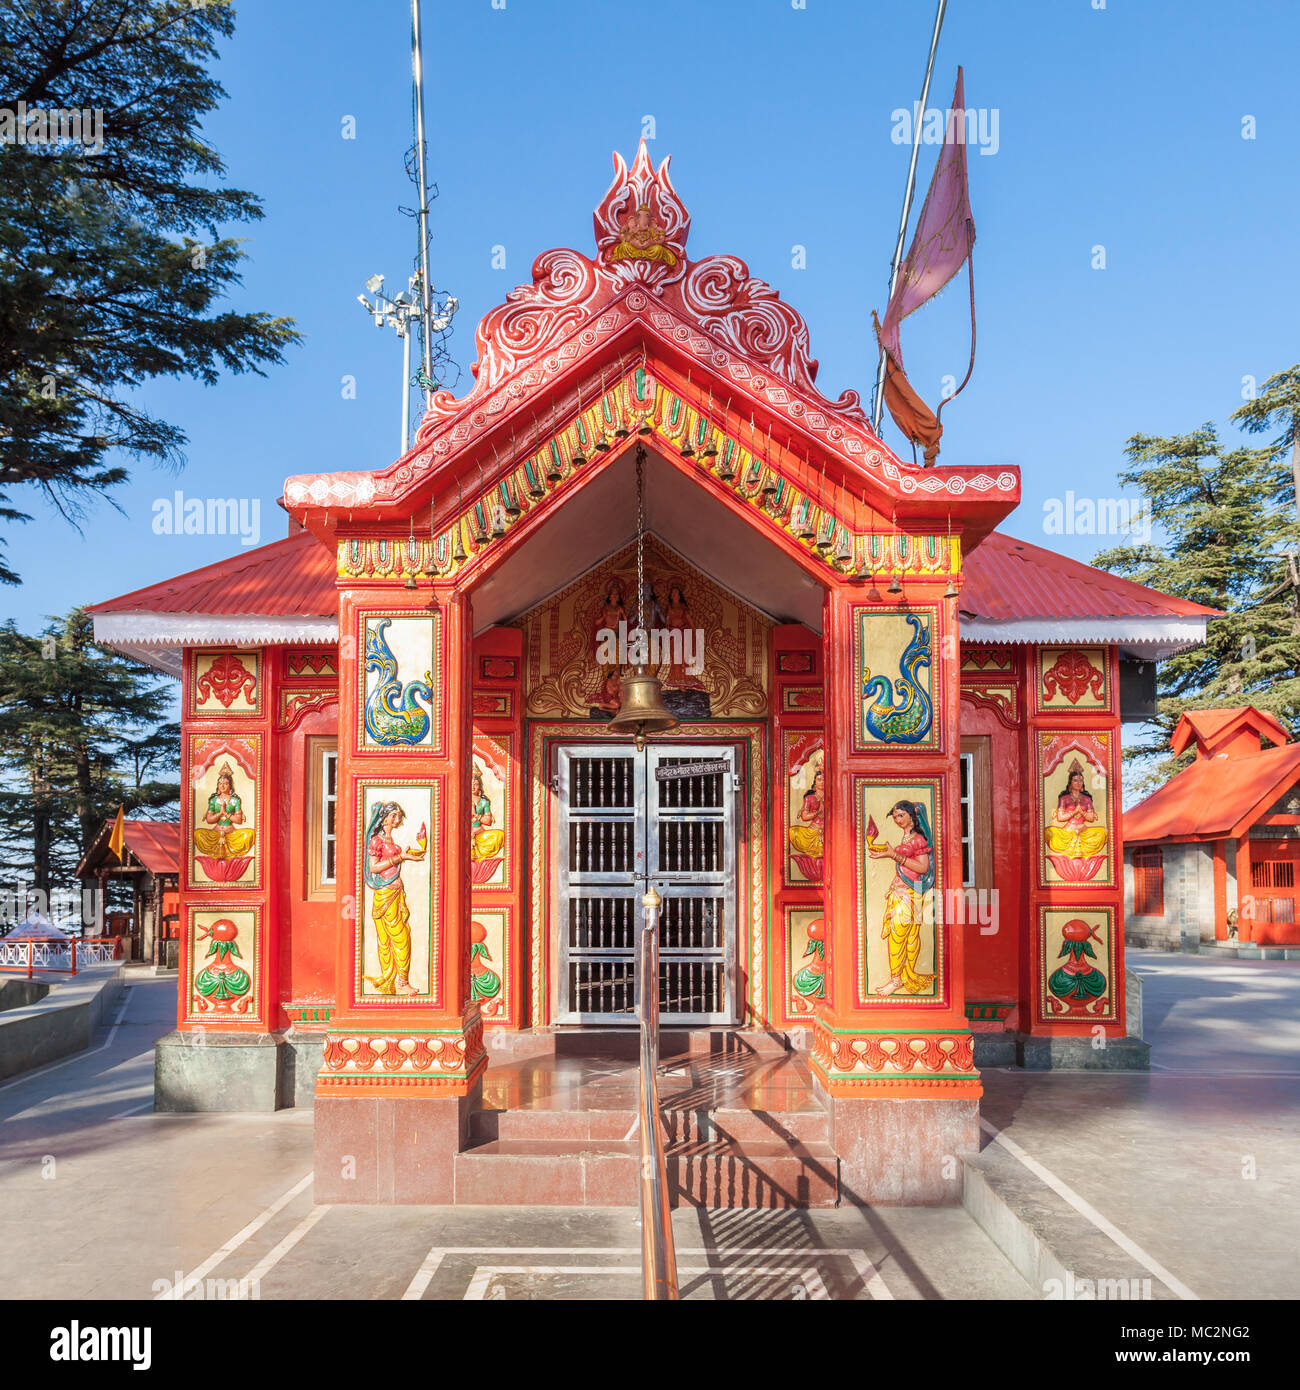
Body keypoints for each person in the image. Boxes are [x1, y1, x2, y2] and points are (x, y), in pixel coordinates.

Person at [869, 799, 937, 997]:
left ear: (912, 817)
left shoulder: (918, 839)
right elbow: (901, 856)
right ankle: (900, 977)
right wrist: (884, 853)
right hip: (900, 891)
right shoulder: (906, 837)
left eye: (901, 815)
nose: (897, 819)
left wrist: (894, 856)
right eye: (895, 816)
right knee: (900, 936)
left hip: (909, 893)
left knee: (901, 936)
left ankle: (897, 979)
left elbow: (923, 867)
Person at [363, 801, 425, 995]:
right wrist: (401, 858)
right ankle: (400, 981)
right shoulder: (377, 841)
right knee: (397, 938)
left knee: (402, 934)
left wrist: (411, 853)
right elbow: (373, 867)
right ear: (384, 818)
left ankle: (399, 980)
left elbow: (398, 858)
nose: (397, 820)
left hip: (397, 891)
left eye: (399, 816)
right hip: (385, 893)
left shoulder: (390, 840)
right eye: (394, 816)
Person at [1044, 759, 1108, 860]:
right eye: (1075, 780)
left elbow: (1091, 818)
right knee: (1049, 832)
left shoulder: (1087, 799)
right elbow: (1060, 818)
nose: (1078, 783)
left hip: (1084, 830)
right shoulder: (1064, 798)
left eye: (1081, 780)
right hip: (1068, 830)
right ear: (1070, 782)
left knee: (1103, 832)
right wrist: (1074, 811)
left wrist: (1081, 811)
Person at [192, 762, 255, 859]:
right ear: (217, 785)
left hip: (231, 833)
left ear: (230, 785)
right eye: (220, 783)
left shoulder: (235, 800)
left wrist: (226, 813)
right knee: (197, 834)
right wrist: (220, 813)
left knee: (250, 833)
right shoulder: (213, 800)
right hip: (216, 833)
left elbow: (238, 820)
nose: (222, 786)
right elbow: (209, 820)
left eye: (225, 783)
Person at [788, 767, 826, 859]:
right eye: (819, 779)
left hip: (828, 832)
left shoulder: (833, 796)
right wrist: (816, 813)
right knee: (793, 831)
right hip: (812, 831)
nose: (822, 782)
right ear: (815, 782)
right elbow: (804, 817)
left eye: (824, 780)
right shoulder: (809, 798)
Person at [470, 765, 505, 862]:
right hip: (465, 835)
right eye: (471, 783)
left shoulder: (484, 802)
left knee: (499, 835)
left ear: (479, 786)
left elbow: (488, 821)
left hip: (479, 834)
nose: (473, 786)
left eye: (476, 784)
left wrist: (475, 814)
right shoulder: (463, 799)